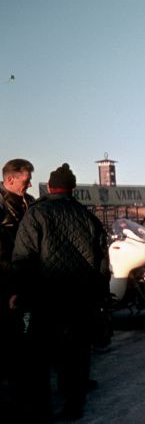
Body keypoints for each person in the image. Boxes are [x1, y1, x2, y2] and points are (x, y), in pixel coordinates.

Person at [10, 163, 109, 421]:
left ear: (51, 187)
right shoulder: (88, 217)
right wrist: (100, 296)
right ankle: (74, 406)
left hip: (45, 299)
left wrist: (19, 292)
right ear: (72, 189)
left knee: (40, 355)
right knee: (76, 354)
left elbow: (23, 258)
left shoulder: (36, 214)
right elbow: (102, 264)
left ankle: (41, 410)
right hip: (81, 299)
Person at [0, 159, 35, 419]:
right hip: (9, 287)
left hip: (30, 282)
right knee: (13, 345)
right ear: (10, 179)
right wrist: (11, 288)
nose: (30, 184)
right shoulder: (1, 208)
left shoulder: (29, 203)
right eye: (26, 180)